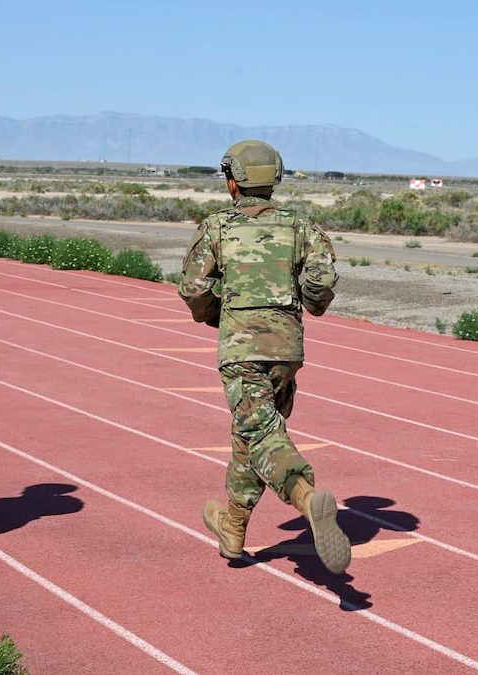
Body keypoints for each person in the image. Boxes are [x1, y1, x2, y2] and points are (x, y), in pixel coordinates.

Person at [178, 139, 350, 574]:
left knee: (262, 434)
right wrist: (306, 302)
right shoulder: (301, 228)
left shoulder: (217, 227)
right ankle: (233, 527)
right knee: (253, 432)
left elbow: (195, 290)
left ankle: (307, 499)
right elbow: (321, 280)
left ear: (232, 182)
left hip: (242, 349)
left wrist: (221, 316)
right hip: (286, 349)